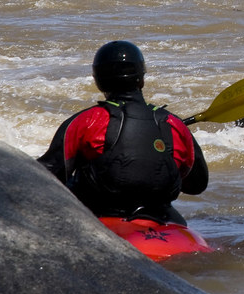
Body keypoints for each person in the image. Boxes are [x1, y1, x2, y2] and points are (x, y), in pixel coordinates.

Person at [37, 40, 208, 225]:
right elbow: (197, 184)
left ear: (98, 81)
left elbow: (49, 177)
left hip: (98, 214)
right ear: (141, 79)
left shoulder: (85, 121)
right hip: (161, 217)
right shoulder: (172, 123)